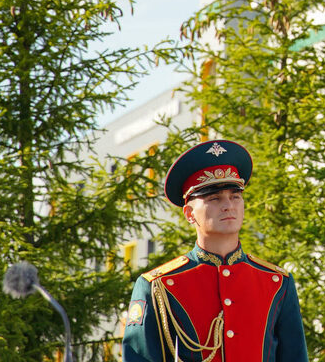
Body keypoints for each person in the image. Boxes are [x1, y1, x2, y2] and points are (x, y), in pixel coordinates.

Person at [123, 140, 308, 362]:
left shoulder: (276, 282)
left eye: (235, 196)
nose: (228, 205)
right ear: (189, 213)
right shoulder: (159, 286)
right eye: (214, 198)